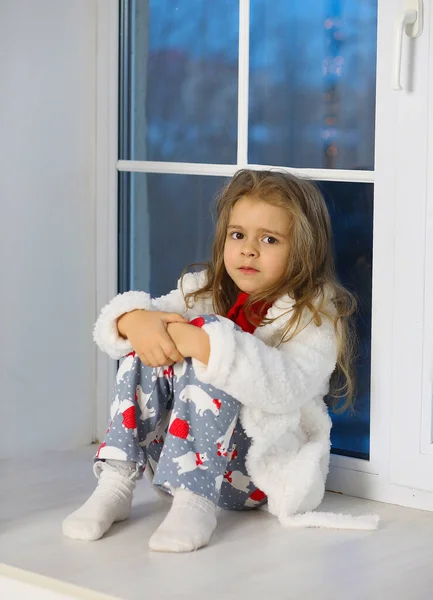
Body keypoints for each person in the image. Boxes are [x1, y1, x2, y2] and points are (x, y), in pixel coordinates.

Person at [62, 169, 379, 553]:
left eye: (270, 239)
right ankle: (114, 483)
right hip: (172, 463)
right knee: (150, 335)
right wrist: (133, 320)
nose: (249, 249)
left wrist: (205, 341)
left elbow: (285, 389)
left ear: (302, 251)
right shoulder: (204, 289)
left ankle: (196, 503)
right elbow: (136, 326)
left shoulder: (313, 315)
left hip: (257, 473)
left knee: (212, 331)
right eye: (238, 235)